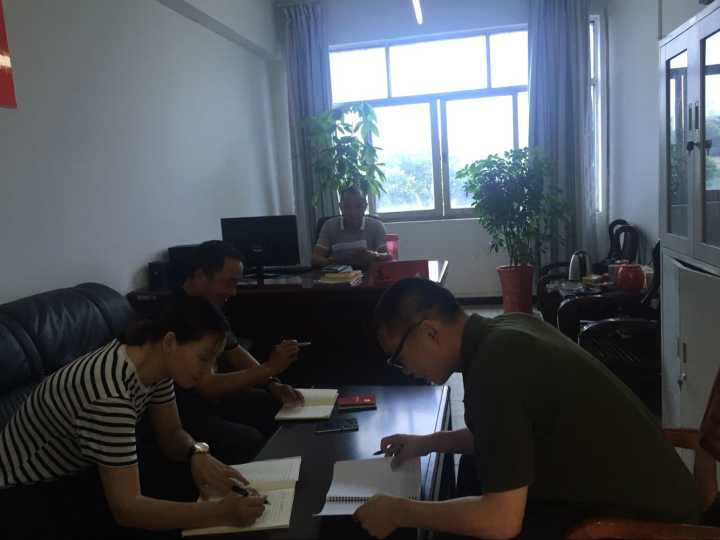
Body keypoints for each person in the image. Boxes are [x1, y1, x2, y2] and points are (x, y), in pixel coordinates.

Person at [354, 278, 702, 540]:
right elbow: (505, 434)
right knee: (470, 476)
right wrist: (429, 443)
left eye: (399, 358)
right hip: (657, 499)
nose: (405, 370)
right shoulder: (508, 329)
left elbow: (500, 521)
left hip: (651, 526)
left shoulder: (494, 367)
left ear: (430, 333)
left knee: (462, 517)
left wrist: (399, 511)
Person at [0, 296, 267, 539]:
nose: (209, 371)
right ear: (170, 342)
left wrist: (197, 453)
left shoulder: (154, 363)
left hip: (81, 467)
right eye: (204, 358)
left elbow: (172, 435)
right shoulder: (109, 394)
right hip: (25, 495)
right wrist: (220, 513)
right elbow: (127, 509)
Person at [173, 240, 304, 464]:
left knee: (274, 402)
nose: (233, 292)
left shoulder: (209, 308)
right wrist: (269, 368)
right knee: (248, 439)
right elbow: (206, 386)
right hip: (186, 411)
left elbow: (235, 351)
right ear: (200, 276)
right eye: (228, 283)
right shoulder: (177, 316)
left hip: (211, 402)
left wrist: (272, 383)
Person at [311, 185, 392, 269]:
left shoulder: (376, 225)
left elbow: (388, 257)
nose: (353, 212)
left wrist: (373, 255)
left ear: (365, 206)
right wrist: (336, 261)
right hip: (338, 275)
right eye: (347, 206)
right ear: (340, 207)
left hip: (368, 274)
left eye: (358, 206)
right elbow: (315, 259)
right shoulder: (329, 225)